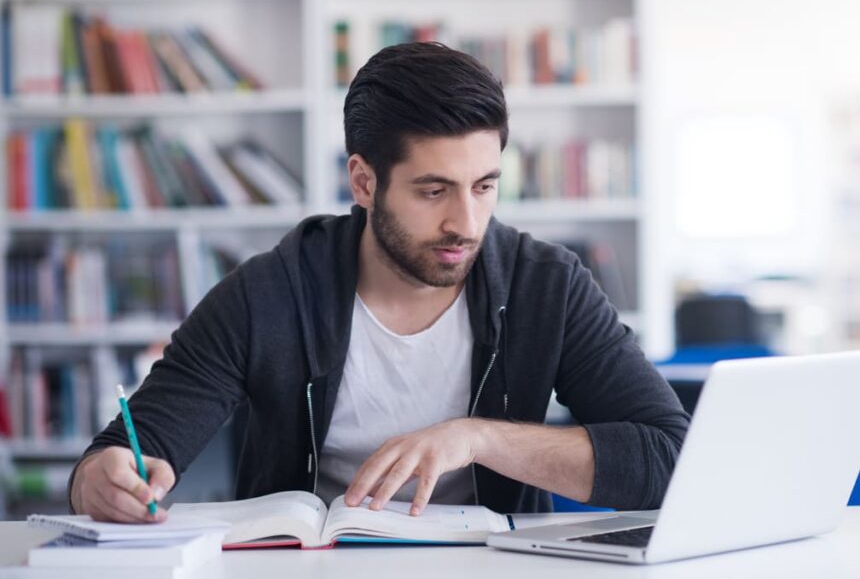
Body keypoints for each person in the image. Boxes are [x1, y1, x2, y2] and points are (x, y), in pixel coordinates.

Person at [69, 42, 690, 523]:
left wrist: (475, 440)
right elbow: (126, 449)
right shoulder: (267, 295)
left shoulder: (546, 287)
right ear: (363, 183)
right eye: (433, 190)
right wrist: (103, 478)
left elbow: (667, 458)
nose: (466, 224)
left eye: (484, 186)